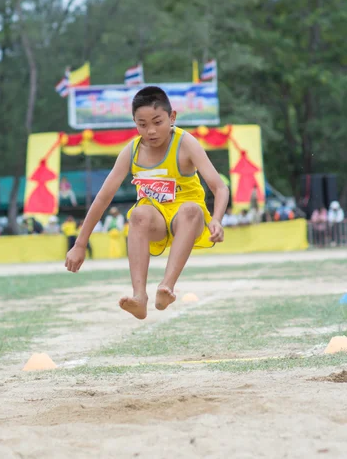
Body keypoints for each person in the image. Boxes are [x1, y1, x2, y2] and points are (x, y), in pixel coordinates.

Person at [65, 85, 228, 319]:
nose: (150, 131)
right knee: (138, 214)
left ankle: (167, 286)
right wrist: (80, 244)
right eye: (142, 124)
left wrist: (218, 219)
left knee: (191, 210)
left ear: (172, 117)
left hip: (186, 219)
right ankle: (139, 297)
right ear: (135, 123)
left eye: (157, 122)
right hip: (157, 222)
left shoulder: (186, 143)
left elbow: (219, 187)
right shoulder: (131, 151)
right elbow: (103, 198)